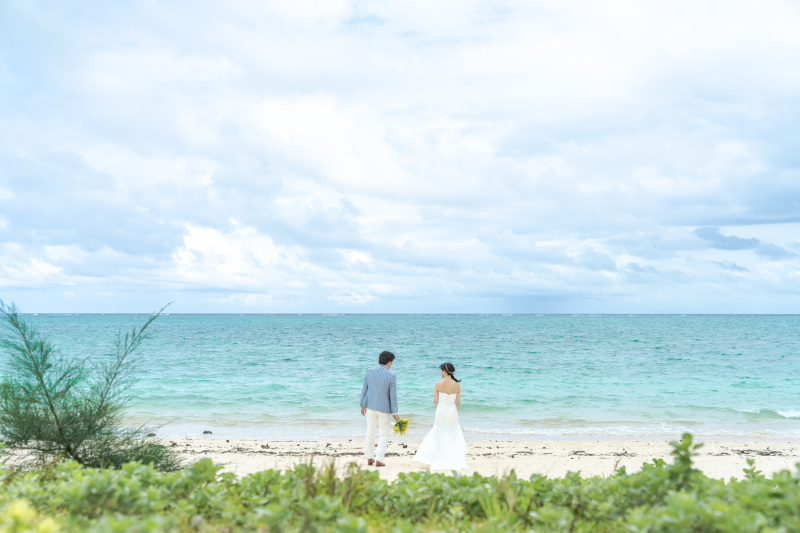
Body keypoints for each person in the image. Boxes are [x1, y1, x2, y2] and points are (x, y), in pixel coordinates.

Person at [412, 362, 470, 471]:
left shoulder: (437, 384)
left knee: (439, 433)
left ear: (444, 371)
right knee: (452, 433)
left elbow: (435, 401)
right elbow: (458, 403)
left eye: (440, 370)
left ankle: (438, 457)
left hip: (441, 410)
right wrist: (454, 412)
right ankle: (452, 458)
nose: (440, 372)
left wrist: (439, 410)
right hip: (452, 411)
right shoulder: (457, 385)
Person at [360, 350, 400, 467]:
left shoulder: (369, 371)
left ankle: (369, 457)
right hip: (384, 408)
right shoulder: (391, 375)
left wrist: (362, 405)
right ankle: (379, 459)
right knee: (384, 434)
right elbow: (393, 395)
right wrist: (395, 411)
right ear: (389, 362)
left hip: (370, 406)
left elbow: (364, 389)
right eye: (391, 362)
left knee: (370, 432)